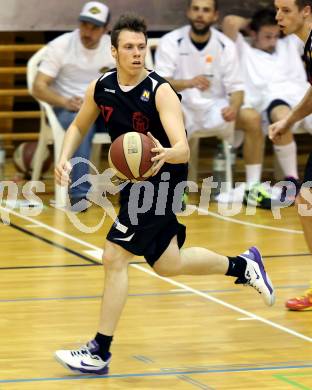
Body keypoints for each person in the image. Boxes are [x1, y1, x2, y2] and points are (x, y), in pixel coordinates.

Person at [53, 14, 275, 375]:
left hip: (165, 181)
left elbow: (183, 149)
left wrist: (164, 153)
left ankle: (99, 351)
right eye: (129, 47)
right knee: (169, 263)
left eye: (141, 47)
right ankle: (243, 265)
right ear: (114, 52)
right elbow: (79, 125)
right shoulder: (102, 87)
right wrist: (63, 158)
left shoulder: (160, 91)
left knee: (115, 257)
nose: (137, 53)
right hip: (135, 182)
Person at [154, 0, 274, 209]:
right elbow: (160, 82)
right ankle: (175, 188)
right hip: (182, 107)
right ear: (189, 12)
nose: (200, 14)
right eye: (196, 9)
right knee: (173, 118)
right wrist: (188, 82)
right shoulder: (171, 41)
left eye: (206, 10)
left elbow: (237, 88)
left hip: (214, 108)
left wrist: (234, 107)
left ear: (215, 16)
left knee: (252, 118)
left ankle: (253, 186)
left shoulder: (225, 45)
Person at [33, 1, 115, 210]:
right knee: (81, 123)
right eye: (85, 25)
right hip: (68, 107)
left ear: (105, 29)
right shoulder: (61, 45)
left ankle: (140, 188)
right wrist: (64, 101)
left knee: (136, 121)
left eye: (95, 27)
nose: (88, 31)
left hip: (103, 107)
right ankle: (79, 194)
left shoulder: (113, 47)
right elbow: (39, 86)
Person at [223, 8, 312, 197]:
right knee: (282, 116)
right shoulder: (243, 49)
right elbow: (230, 21)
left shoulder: (288, 43)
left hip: (305, 100)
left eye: (275, 35)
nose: (273, 40)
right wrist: (254, 23)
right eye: (267, 36)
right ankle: (292, 179)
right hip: (274, 104)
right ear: (253, 34)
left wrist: (276, 26)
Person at [269, 0, 312, 310]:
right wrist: (288, 120)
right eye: (277, 9)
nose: (278, 16)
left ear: (306, 10)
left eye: (285, 9)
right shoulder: (307, 46)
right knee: (306, 203)